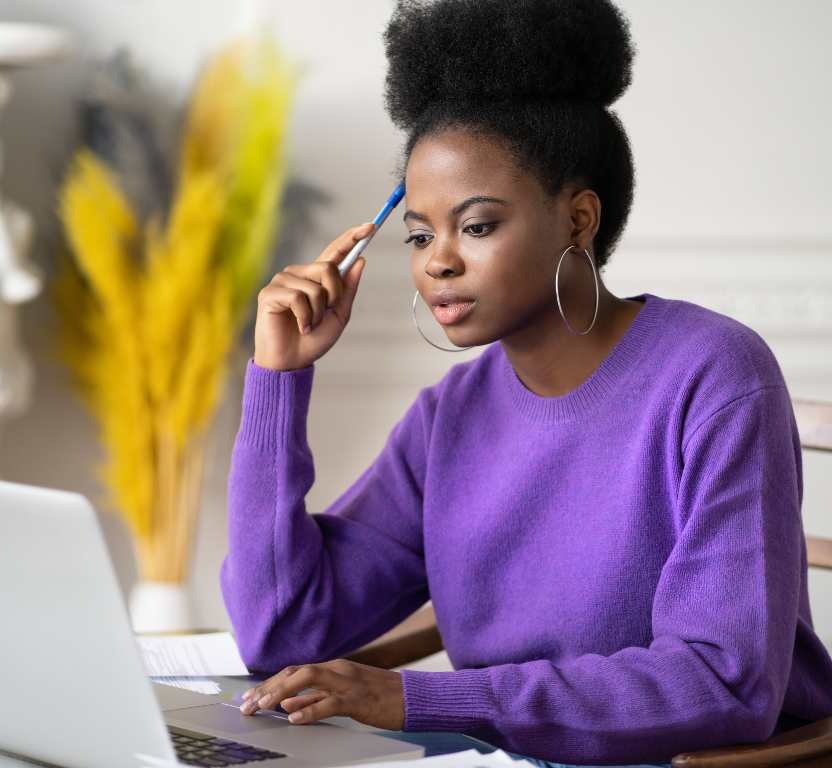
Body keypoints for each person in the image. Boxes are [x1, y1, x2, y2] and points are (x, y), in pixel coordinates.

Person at [219, 1, 832, 766]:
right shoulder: (450, 417)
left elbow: (722, 681)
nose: (438, 260)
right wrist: (280, 379)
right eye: (419, 234)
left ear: (578, 221)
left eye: (475, 226)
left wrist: (416, 699)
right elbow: (279, 630)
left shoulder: (714, 376)